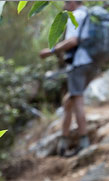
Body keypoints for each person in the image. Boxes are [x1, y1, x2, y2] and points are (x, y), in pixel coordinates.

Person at [40, 2, 98, 155]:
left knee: (77, 100)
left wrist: (51, 51)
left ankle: (84, 142)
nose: (64, 5)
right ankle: (63, 143)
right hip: (92, 63)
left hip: (79, 63)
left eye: (66, 1)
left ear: (73, 2)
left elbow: (73, 41)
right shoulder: (89, 13)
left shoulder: (76, 15)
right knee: (68, 101)